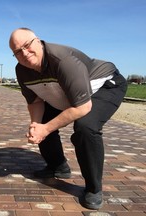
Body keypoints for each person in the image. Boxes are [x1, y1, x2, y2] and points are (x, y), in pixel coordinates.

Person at [9, 27, 127, 210]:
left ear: (38, 41)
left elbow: (82, 107)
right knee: (43, 122)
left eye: (26, 45)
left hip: (104, 85)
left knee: (85, 127)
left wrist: (45, 129)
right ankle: (58, 166)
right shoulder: (22, 70)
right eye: (17, 51)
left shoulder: (62, 60)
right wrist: (36, 126)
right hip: (68, 92)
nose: (24, 53)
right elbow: (35, 101)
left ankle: (94, 189)